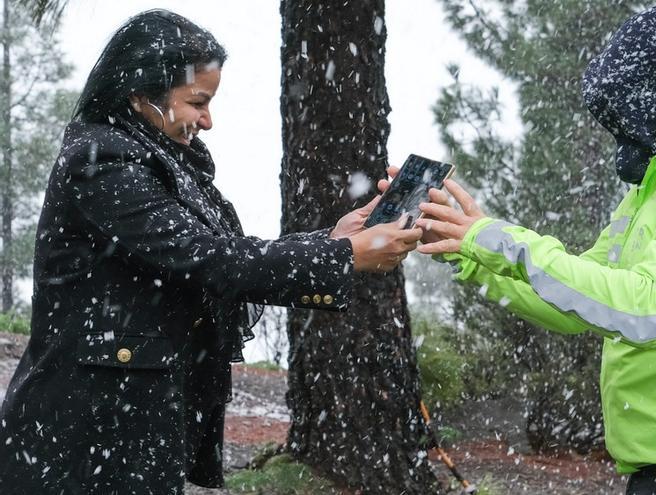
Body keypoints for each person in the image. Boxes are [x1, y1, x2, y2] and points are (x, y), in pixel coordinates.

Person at [0, 9, 420, 494]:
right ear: (140, 94)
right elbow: (209, 262)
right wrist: (345, 257)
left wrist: (333, 240)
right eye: (197, 102)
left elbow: (222, 252)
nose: (208, 120)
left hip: (122, 430)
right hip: (82, 435)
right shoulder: (103, 163)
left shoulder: (162, 160)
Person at [413, 5, 656, 495]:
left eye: (627, 113)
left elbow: (647, 306)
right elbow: (579, 304)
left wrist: (497, 239)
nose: (622, 133)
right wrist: (468, 250)